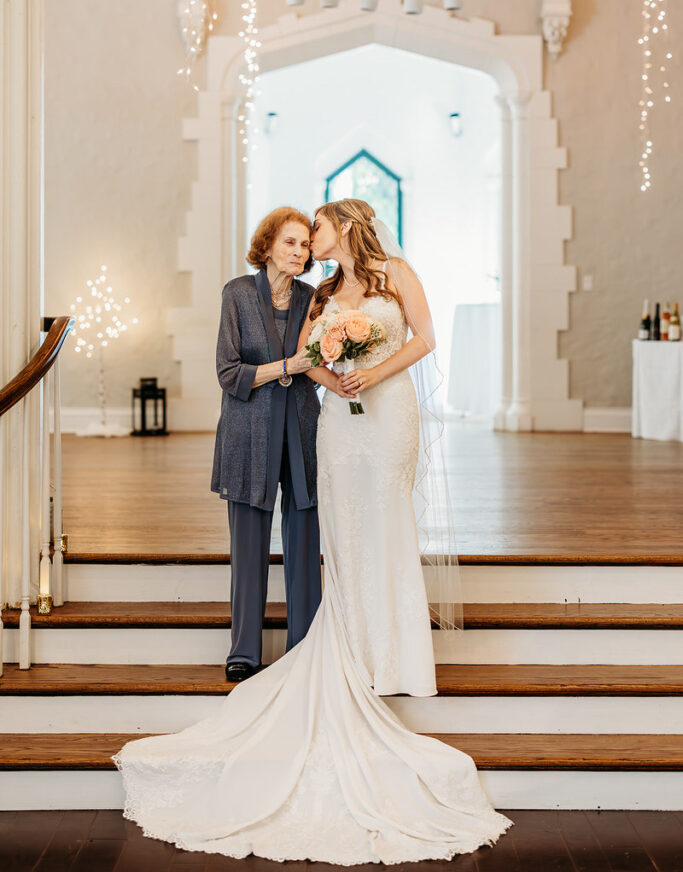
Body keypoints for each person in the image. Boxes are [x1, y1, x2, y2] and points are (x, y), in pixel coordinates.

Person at [114, 198, 512, 863]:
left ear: (342, 228)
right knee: (333, 535)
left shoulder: (382, 275)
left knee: (376, 527)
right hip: (320, 422)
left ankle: (389, 652)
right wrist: (333, 377)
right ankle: (307, 645)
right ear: (273, 245)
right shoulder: (304, 293)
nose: (307, 248)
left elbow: (421, 338)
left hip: (378, 414)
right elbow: (298, 360)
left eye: (314, 236)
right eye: (297, 240)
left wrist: (366, 376)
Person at [211, 207, 327, 682]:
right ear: (268, 244)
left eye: (305, 245)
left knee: (304, 538)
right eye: (290, 243)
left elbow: (320, 362)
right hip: (248, 432)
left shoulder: (314, 298)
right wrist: (286, 368)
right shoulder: (237, 293)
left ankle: (305, 645)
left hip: (301, 427)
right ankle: (244, 650)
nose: (298, 252)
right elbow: (228, 372)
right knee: (249, 543)